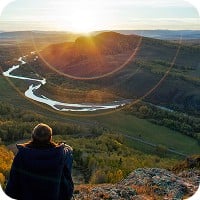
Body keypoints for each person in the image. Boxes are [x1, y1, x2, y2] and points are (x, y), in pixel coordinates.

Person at [5, 123, 74, 200]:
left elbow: (13, 182)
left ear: (33, 137)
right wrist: (63, 146)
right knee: (68, 155)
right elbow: (69, 150)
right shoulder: (60, 153)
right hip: (53, 196)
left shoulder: (22, 154)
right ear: (50, 138)